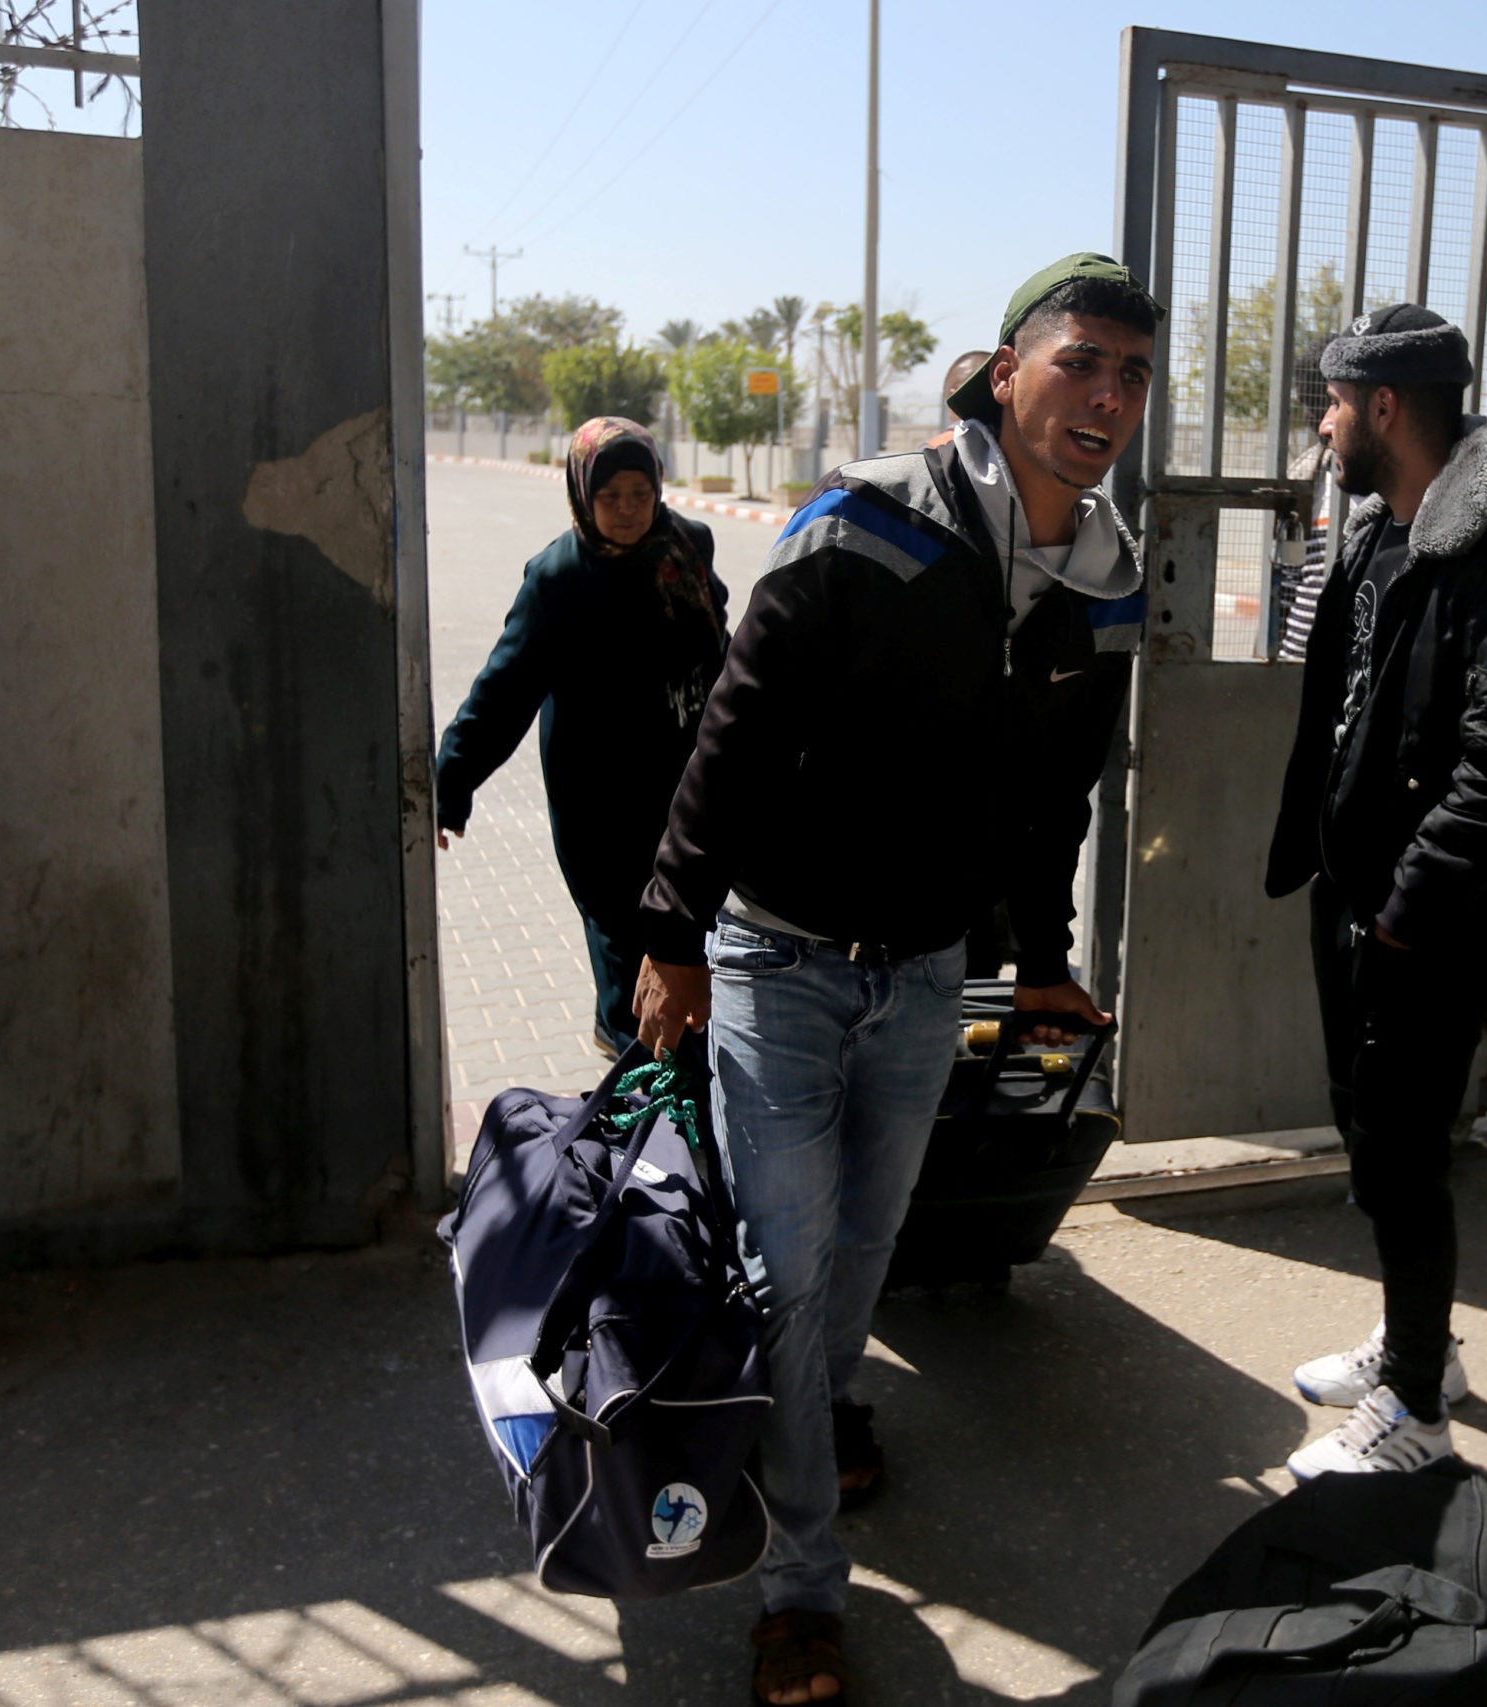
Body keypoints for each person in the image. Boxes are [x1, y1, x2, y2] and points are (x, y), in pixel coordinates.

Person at [633, 254, 1156, 1707]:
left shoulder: (1107, 579)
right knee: (789, 1271)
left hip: (926, 980)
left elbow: (1055, 801)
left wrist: (1040, 959)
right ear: (1008, 371)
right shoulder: (868, 520)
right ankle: (800, 1585)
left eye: (1131, 375)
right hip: (779, 959)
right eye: (1079, 361)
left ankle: (819, 1413)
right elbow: (736, 726)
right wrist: (671, 931)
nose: (1106, 396)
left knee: (863, 1250)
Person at [1265, 304, 1487, 1478]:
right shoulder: (1376, 535)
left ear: (1385, 407)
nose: (1323, 424)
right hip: (1353, 901)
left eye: (1334, 403)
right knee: (1371, 1141)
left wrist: (1408, 912)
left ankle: (1414, 1413)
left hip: (1422, 924)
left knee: (1402, 1154)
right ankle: (1422, 1345)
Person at [434, 416, 726, 1058]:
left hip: (682, 784)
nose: (627, 510)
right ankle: (633, 1070)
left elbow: (722, 649)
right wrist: (450, 782)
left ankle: (652, 1054)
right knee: (622, 934)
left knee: (683, 930)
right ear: (582, 494)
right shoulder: (558, 578)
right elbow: (503, 691)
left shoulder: (687, 545)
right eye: (610, 496)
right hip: (598, 798)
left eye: (640, 494)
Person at [1274, 334, 1337, 663]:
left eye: (1314, 403)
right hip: (1296, 662)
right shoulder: (1309, 472)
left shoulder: (1377, 483)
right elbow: (1292, 575)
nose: (1310, 418)